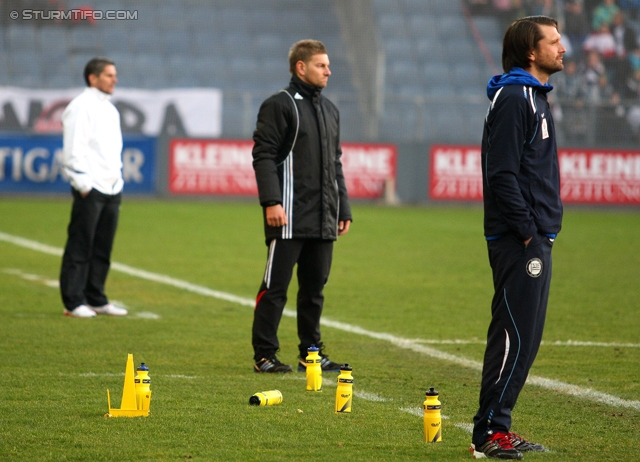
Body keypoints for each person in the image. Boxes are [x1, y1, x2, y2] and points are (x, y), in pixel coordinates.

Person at [471, 16, 565, 459]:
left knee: (525, 337)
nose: (562, 49)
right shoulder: (515, 97)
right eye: (554, 41)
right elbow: (502, 173)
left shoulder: (533, 97)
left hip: (534, 236)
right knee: (513, 335)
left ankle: (500, 426)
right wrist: (528, 232)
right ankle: (488, 434)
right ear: (532, 51)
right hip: (519, 240)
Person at [251, 39, 352, 373]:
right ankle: (264, 355)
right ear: (301, 67)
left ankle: (311, 352)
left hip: (323, 217)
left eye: (328, 65)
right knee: (275, 288)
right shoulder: (279, 105)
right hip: (288, 218)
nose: (328, 71)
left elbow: (335, 163)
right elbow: (263, 155)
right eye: (322, 65)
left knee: (314, 291)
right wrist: (271, 202)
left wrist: (343, 208)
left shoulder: (330, 110)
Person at [59, 57, 127, 318]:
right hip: (92, 188)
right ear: (93, 78)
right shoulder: (80, 106)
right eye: (109, 75)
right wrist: (83, 184)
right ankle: (73, 301)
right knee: (80, 245)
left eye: (114, 75)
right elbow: (73, 149)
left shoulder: (109, 108)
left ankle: (96, 298)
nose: (115, 79)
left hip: (111, 186)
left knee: (102, 247)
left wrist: (117, 180)